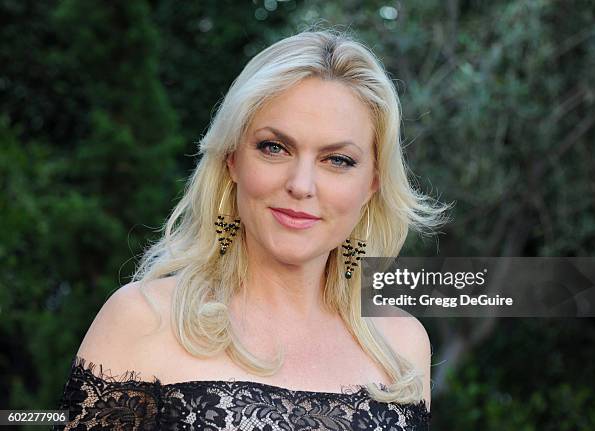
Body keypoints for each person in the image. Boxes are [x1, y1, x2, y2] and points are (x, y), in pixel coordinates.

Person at [53, 28, 448, 430]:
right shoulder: (143, 319)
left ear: (372, 184)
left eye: (338, 160)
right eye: (275, 148)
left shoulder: (401, 346)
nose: (301, 184)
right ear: (232, 159)